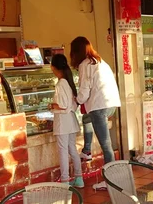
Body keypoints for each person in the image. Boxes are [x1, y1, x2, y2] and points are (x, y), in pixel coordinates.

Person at [71, 36, 121, 190]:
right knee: (91, 123)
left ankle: (110, 180)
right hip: (110, 103)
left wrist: (76, 99)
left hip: (99, 106)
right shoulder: (99, 60)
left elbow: (84, 90)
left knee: (106, 146)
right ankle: (87, 151)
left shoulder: (85, 64)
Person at [49, 54, 83, 188]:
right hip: (71, 120)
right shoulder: (68, 82)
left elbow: (62, 106)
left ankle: (65, 180)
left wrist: (51, 106)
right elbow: (72, 104)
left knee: (63, 151)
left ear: (53, 67)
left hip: (63, 122)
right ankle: (79, 178)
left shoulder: (60, 84)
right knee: (72, 150)